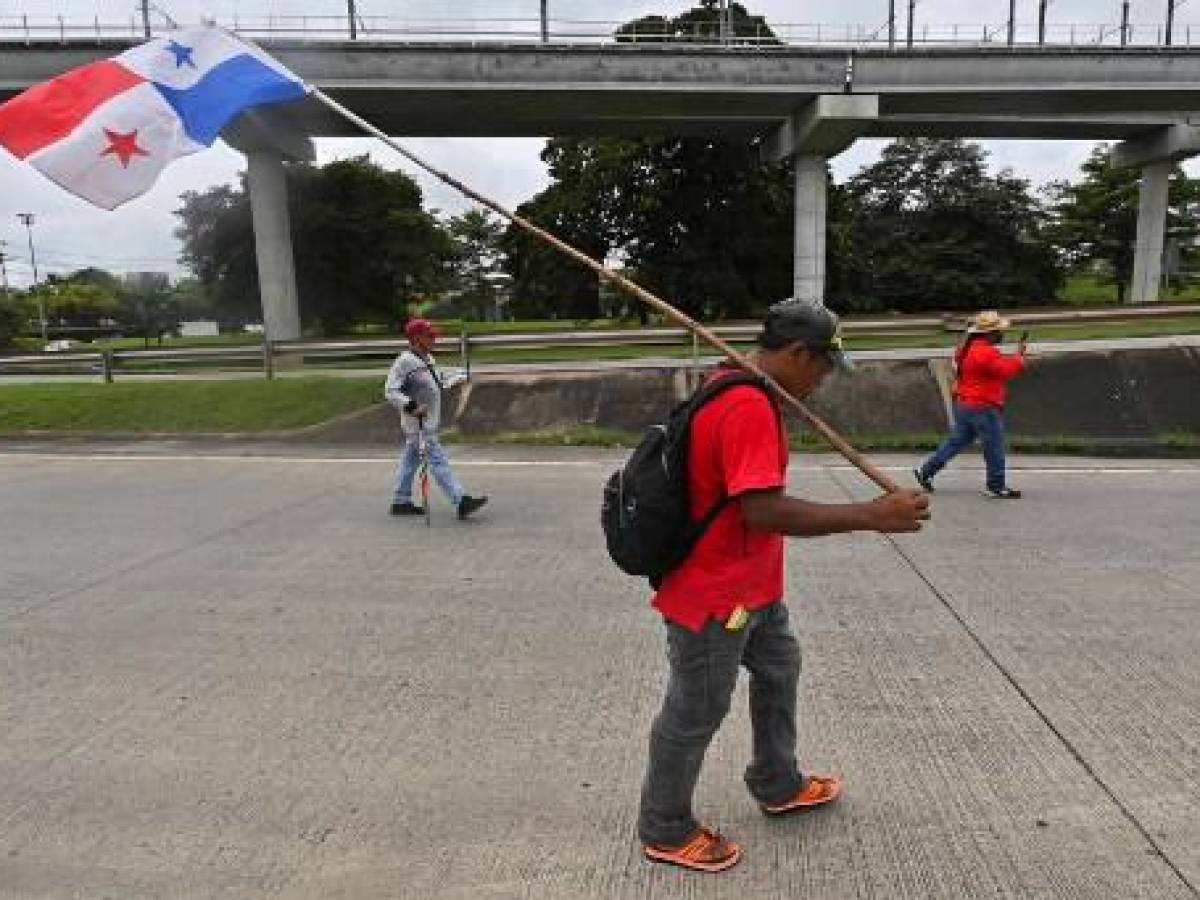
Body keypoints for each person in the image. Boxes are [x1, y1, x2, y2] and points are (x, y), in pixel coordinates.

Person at [637, 298, 930, 874]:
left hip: (754, 587)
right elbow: (763, 512)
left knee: (778, 671)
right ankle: (664, 826)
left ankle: (777, 781)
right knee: (695, 710)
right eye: (821, 367)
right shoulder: (744, 403)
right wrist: (872, 515)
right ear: (798, 353)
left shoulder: (740, 384)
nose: (822, 381)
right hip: (716, 594)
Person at [914, 310, 1028, 499]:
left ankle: (926, 470)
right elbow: (1004, 370)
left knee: (955, 442)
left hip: (965, 403)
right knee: (994, 446)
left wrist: (1015, 357)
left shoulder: (966, 348)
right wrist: (1019, 358)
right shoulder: (986, 352)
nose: (1002, 334)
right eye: (999, 330)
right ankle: (996, 485)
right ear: (989, 333)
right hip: (984, 406)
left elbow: (993, 367)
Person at [384, 318, 487, 520]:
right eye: (429, 336)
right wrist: (412, 406)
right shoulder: (405, 361)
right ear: (415, 338)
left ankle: (400, 501)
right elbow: (390, 390)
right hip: (418, 424)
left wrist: (460, 376)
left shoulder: (428, 359)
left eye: (434, 335)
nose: (434, 339)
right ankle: (461, 501)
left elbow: (438, 382)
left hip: (428, 421)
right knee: (438, 462)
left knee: (410, 461)